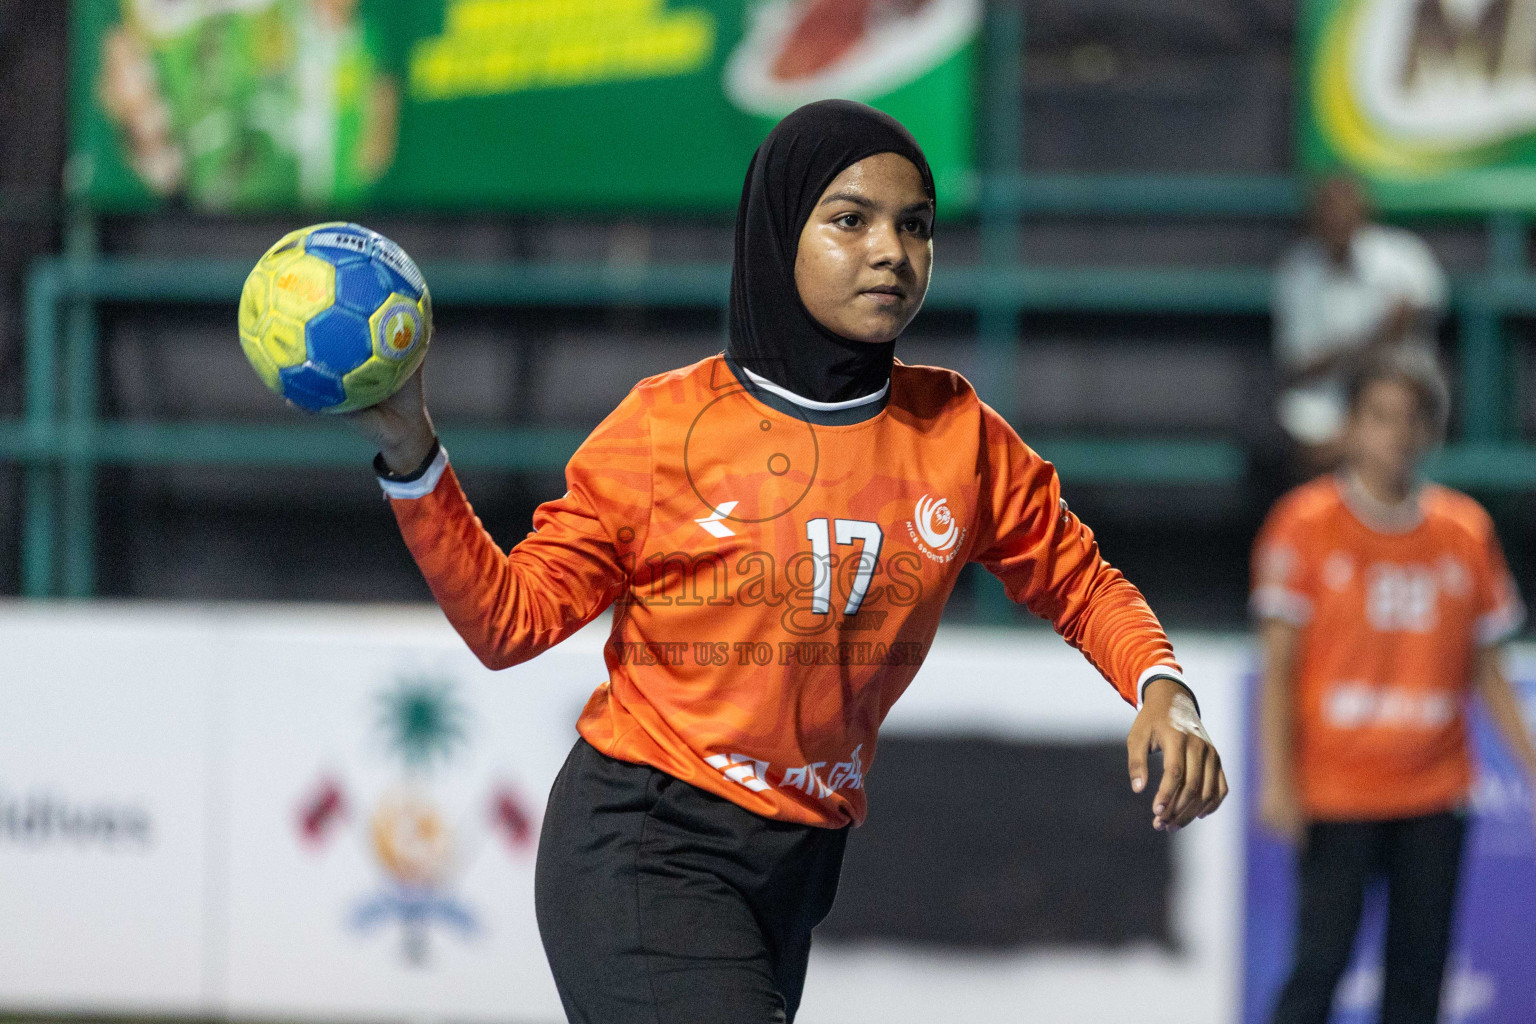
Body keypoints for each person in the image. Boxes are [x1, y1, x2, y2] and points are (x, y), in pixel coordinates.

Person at [347, 100, 1228, 1023]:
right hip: (647, 842)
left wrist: (1163, 688)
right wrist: (415, 457)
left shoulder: (958, 433)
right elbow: (508, 622)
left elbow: (1081, 583)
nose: (891, 249)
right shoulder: (666, 425)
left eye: (915, 225)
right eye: (850, 219)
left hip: (799, 868)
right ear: (778, 231)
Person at [1254, 348, 1536, 1024]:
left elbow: (1489, 672)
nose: (1395, 434)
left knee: (1418, 981)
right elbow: (1279, 666)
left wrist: (1531, 763)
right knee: (1318, 966)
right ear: (1350, 425)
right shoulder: (1303, 524)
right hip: (1337, 789)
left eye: (1410, 419)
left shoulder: (1464, 531)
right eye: (1379, 417)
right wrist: (1278, 778)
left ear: (1429, 430)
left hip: (1435, 795)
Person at [1271, 175, 1447, 476]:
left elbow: (1419, 312)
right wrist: (1372, 339)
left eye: (1344, 209)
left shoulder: (1404, 256)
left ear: (1364, 212)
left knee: (1390, 421)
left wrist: (1346, 353)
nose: (1336, 219)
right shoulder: (1296, 271)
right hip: (1326, 408)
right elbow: (1299, 365)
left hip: (1404, 395)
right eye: (1328, 211)